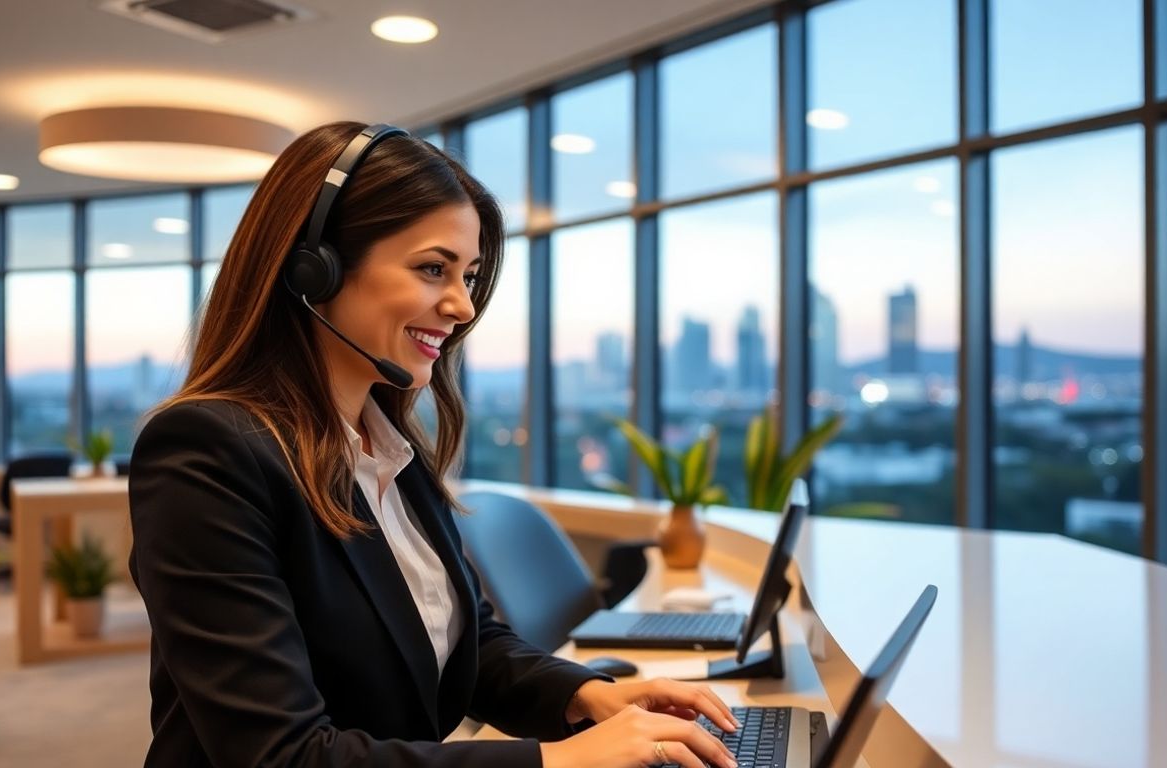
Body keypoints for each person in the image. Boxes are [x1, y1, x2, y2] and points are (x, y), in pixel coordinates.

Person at [128, 121, 742, 768]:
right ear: (314, 268)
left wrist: (595, 697)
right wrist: (559, 762)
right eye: (432, 269)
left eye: (469, 276)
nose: (463, 306)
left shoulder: (391, 448)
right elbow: (282, 755)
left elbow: (468, 645)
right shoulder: (206, 453)